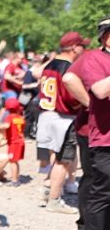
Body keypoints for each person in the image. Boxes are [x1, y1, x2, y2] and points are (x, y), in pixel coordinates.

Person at [67, 17, 110, 230]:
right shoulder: (95, 58)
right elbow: (100, 90)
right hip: (105, 139)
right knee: (102, 193)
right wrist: (87, 104)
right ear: (105, 37)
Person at [35, 31, 90, 214]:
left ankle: (47, 190)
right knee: (63, 160)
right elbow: (70, 98)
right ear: (74, 47)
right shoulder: (68, 67)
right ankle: (54, 200)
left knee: (57, 156)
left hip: (47, 114)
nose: (84, 48)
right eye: (82, 45)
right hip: (62, 118)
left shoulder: (50, 63)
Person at [0, 98, 26, 186]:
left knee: (12, 161)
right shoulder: (21, 117)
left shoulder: (9, 117)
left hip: (14, 143)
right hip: (20, 141)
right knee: (15, 161)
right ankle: (16, 177)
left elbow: (7, 125)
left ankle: (14, 180)